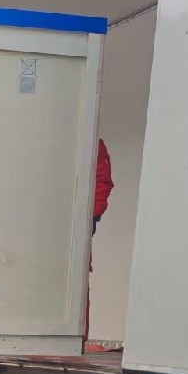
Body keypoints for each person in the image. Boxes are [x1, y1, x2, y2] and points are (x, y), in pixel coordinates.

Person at [85, 139, 114, 343]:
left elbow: (102, 181)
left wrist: (91, 217)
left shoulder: (89, 140)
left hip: (77, 223)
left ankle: (78, 338)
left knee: (75, 281)